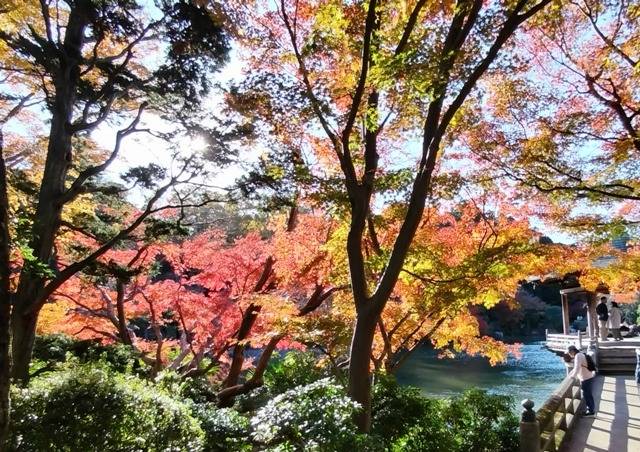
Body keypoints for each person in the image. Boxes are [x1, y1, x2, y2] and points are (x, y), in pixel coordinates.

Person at [567, 345, 596, 416]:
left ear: (572, 351)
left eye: (569, 352)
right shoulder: (580, 354)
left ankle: (591, 411)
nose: (569, 354)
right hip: (588, 377)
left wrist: (572, 376)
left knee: (587, 395)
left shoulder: (578, 356)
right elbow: (577, 367)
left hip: (586, 378)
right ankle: (591, 410)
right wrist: (572, 374)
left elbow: (577, 368)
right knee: (588, 394)